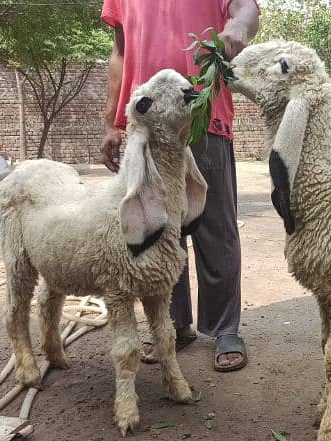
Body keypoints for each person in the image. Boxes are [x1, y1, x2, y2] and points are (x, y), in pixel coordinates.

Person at [100, 0, 259, 372]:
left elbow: (246, 8)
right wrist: (112, 122)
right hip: (148, 123)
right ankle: (174, 324)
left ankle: (224, 329)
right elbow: (119, 52)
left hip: (202, 115)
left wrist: (238, 27)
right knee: (160, 228)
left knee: (214, 228)